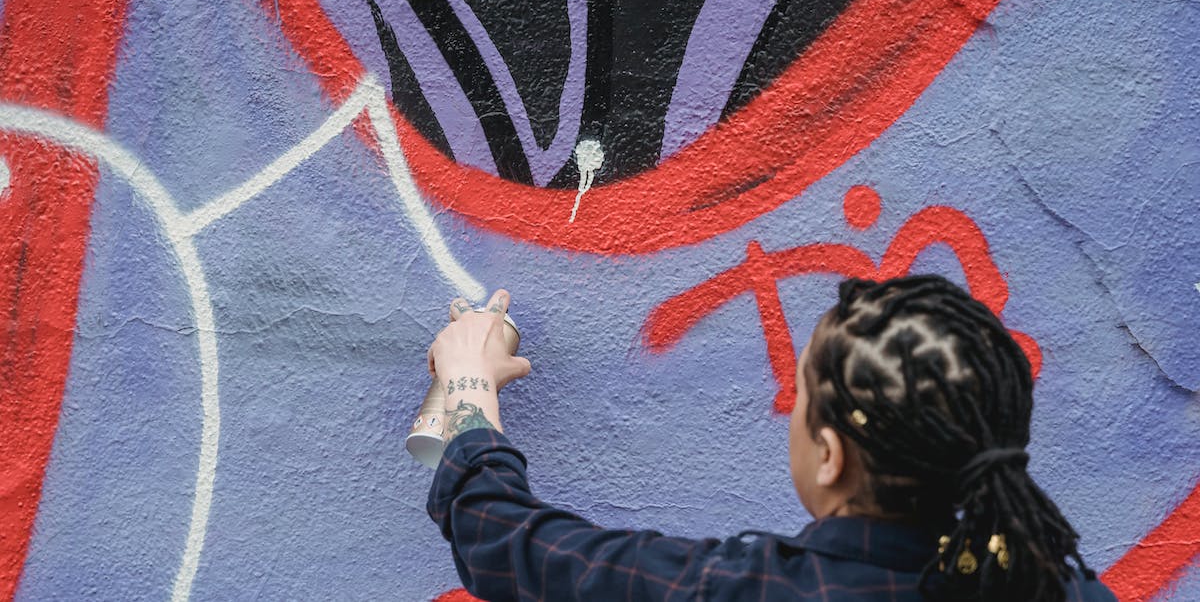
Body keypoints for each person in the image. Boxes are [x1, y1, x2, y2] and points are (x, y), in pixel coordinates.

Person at [423, 276, 1117, 601]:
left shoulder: (735, 590)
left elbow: (504, 540)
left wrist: (468, 386)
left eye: (801, 394)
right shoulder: (1068, 592)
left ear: (830, 454)